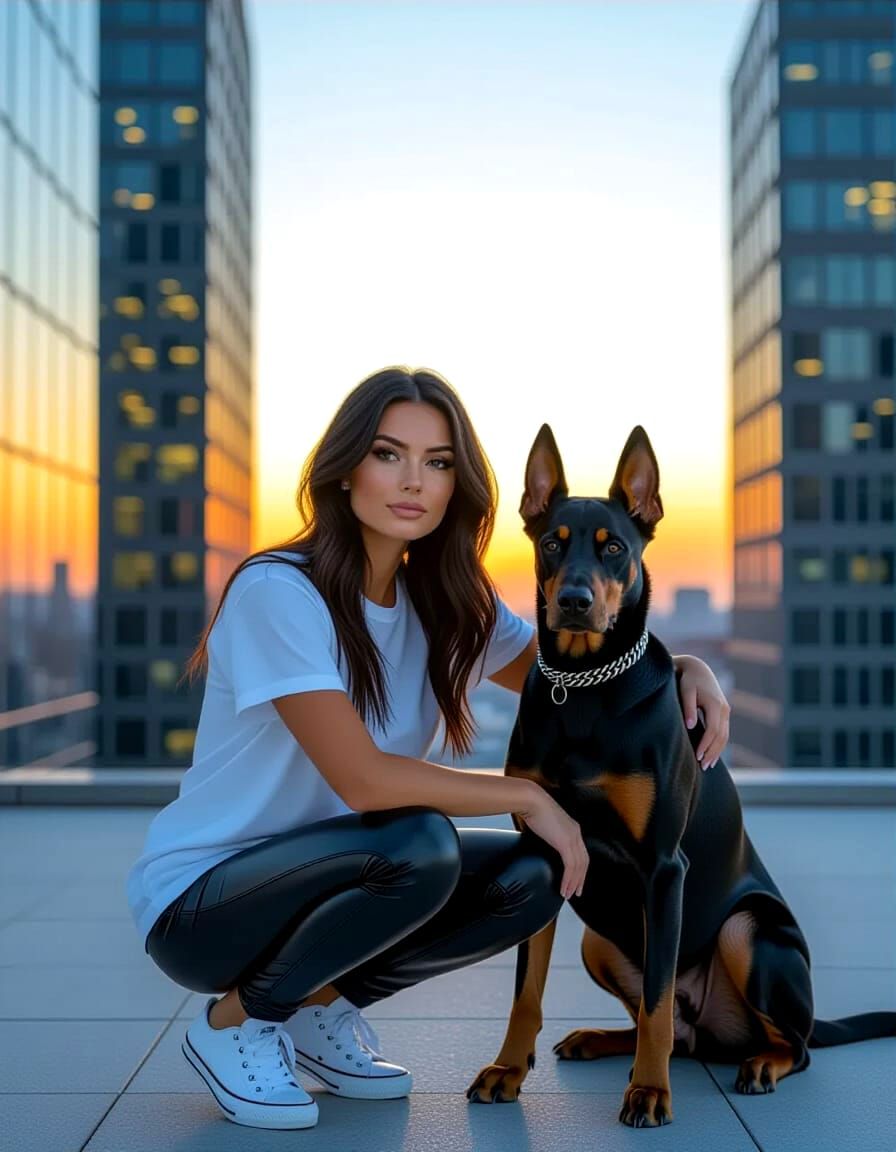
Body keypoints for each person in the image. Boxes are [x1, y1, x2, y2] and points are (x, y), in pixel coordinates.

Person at [127, 366, 730, 1131]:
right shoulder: (279, 590)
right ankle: (233, 1025)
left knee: (531, 876)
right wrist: (526, 794)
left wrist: (684, 667)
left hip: (325, 883)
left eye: (438, 462)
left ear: (457, 486)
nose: (414, 480)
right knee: (420, 843)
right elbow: (365, 782)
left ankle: (316, 1008)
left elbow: (577, 671)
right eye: (389, 454)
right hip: (205, 906)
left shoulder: (448, 601)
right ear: (344, 469)